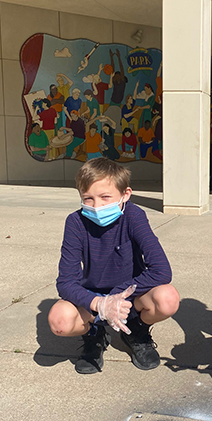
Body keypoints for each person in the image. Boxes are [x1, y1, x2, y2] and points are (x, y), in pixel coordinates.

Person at [48, 158, 179, 374]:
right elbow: (65, 282)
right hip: (93, 298)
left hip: (131, 295)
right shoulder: (75, 222)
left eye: (105, 197)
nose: (97, 206)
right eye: (88, 198)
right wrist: (99, 303)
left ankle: (136, 332)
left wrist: (118, 296)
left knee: (168, 298)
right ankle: (94, 334)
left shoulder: (134, 216)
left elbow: (162, 270)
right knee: (59, 320)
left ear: (125, 194)